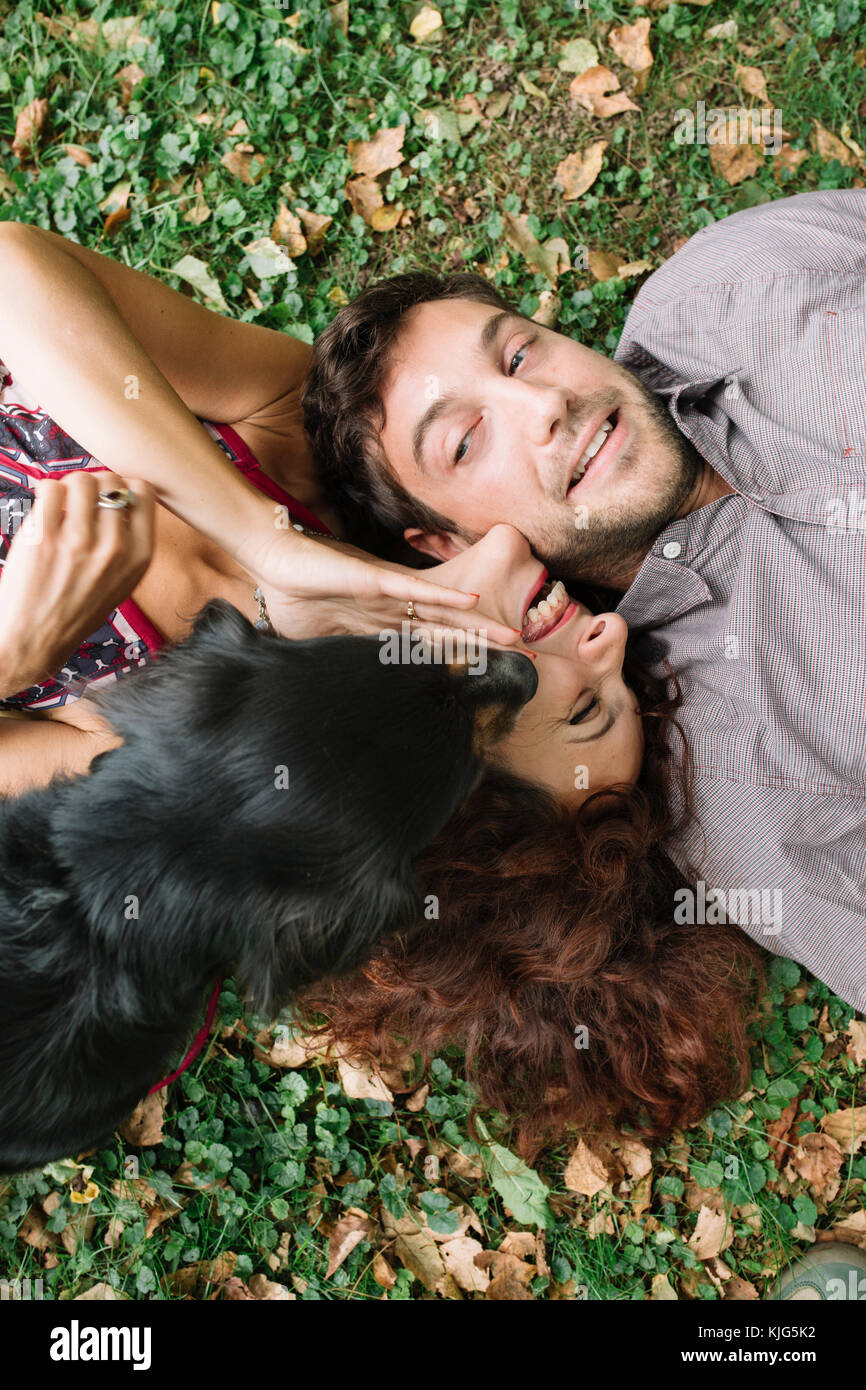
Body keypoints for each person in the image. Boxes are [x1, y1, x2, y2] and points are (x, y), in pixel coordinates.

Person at [300, 187, 866, 1015]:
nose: (544, 406)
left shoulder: (730, 284)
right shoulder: (742, 785)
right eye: (466, 441)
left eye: (520, 356)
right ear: (447, 547)